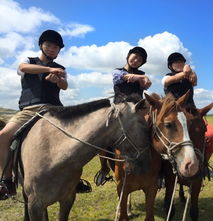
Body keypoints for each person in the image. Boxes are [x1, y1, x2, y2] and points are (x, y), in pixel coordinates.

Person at [0, 30, 90, 200]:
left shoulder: (61, 69)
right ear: (41, 45)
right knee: (3, 136)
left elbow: (64, 86)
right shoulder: (29, 60)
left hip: (53, 109)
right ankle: (7, 181)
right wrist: (49, 69)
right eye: (48, 45)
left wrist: (58, 80)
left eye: (55, 47)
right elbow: (22, 68)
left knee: (78, 137)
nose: (51, 49)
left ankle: (74, 178)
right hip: (29, 110)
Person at [94, 46, 152, 186]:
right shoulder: (117, 71)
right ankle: (104, 168)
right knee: (102, 136)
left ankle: (159, 171)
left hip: (138, 110)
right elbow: (126, 77)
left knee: (154, 132)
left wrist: (145, 80)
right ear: (128, 55)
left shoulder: (141, 74)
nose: (136, 60)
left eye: (140, 59)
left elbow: (146, 85)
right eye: (135, 56)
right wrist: (142, 77)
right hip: (120, 109)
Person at [162, 52, 213, 180]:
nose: (179, 64)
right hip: (173, 114)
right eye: (175, 62)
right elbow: (172, 80)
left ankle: (204, 165)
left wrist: (191, 72)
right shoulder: (166, 77)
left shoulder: (190, 76)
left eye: (181, 62)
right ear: (170, 66)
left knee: (211, 135)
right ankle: (161, 172)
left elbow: (195, 81)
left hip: (191, 113)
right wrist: (186, 71)